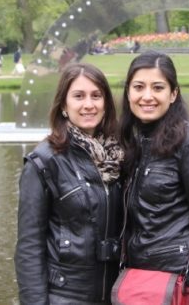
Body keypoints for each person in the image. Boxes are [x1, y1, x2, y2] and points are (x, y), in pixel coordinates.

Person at [118, 51, 189, 303]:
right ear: (128, 93)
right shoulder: (131, 143)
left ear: (173, 94)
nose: (147, 96)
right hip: (137, 284)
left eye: (158, 87)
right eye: (139, 87)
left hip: (179, 284)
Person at [15, 63, 124, 304]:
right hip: (65, 296)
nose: (89, 104)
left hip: (117, 293)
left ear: (106, 103)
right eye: (79, 96)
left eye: (96, 96)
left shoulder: (120, 156)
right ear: (64, 105)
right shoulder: (44, 162)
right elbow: (29, 247)